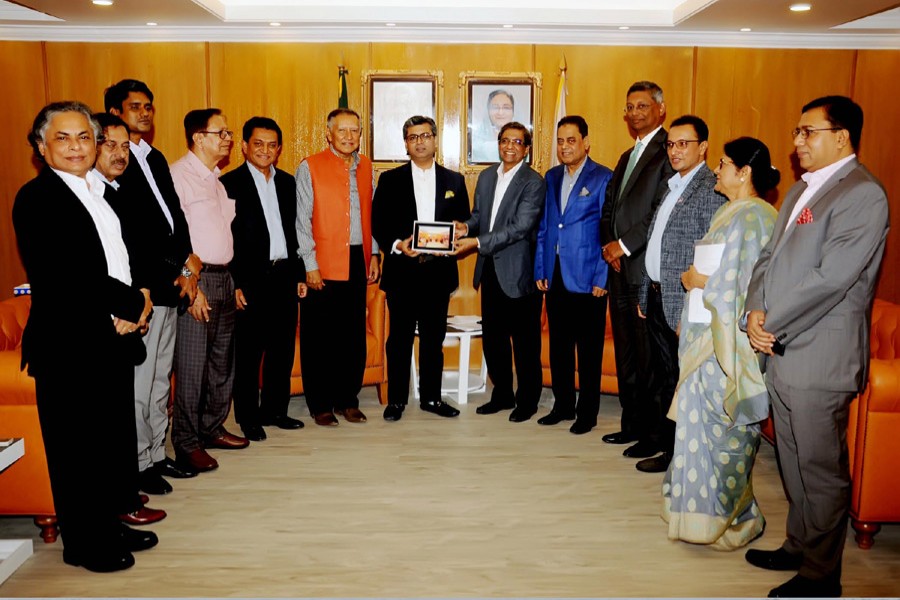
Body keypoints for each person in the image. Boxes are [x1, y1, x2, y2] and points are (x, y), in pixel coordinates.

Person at [744, 96, 889, 598]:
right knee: (793, 462)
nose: (797, 142)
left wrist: (771, 323)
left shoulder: (863, 195)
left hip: (819, 355)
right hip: (782, 348)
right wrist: (753, 310)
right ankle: (798, 545)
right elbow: (768, 258)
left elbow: (831, 280)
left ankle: (822, 575)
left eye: (808, 132)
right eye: (797, 132)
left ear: (842, 136)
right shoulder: (801, 191)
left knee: (821, 469)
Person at [13, 101, 157, 572]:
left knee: (107, 444)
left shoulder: (93, 191)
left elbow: (115, 259)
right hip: (70, 344)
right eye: (63, 137)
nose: (76, 146)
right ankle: (84, 545)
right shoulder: (38, 199)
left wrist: (132, 304)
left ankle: (107, 525)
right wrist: (133, 304)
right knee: (77, 451)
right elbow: (70, 276)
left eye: (83, 137)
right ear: (41, 146)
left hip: (109, 334)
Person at [662, 137, 779, 549]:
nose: (717, 169)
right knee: (699, 435)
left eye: (724, 163)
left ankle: (737, 520)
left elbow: (748, 288)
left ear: (744, 172)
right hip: (704, 342)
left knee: (724, 437)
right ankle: (701, 519)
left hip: (726, 350)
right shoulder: (733, 212)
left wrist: (697, 282)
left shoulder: (755, 217)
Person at [105, 79, 201, 494]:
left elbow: (173, 217)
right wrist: (167, 273)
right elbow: (135, 240)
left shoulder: (152, 156)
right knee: (140, 385)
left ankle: (156, 456)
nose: (144, 113)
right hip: (146, 289)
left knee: (162, 378)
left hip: (173, 283)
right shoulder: (111, 171)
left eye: (149, 107)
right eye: (135, 107)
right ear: (114, 113)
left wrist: (189, 260)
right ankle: (141, 462)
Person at [635, 114, 725, 473]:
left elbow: (710, 257)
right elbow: (656, 245)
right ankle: (661, 441)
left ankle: (678, 455)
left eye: (683, 144)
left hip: (684, 302)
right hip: (658, 296)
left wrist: (693, 309)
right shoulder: (672, 186)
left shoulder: (710, 190)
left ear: (703, 147)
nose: (675, 150)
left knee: (679, 381)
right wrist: (645, 293)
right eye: (670, 144)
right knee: (662, 376)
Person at [91, 112, 168, 528]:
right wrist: (129, 305)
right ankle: (118, 500)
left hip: (131, 310)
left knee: (129, 406)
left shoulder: (113, 192)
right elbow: (86, 270)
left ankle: (125, 489)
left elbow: (131, 254)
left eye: (125, 147)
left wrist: (139, 301)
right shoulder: (85, 196)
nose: (120, 154)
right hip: (106, 319)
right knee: (115, 416)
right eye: (110, 145)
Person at [373, 116, 471, 422]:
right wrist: (398, 244)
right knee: (399, 339)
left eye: (425, 135)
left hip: (437, 273)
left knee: (433, 339)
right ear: (406, 143)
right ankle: (397, 400)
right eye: (413, 137)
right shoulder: (390, 179)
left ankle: (431, 397)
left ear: (435, 139)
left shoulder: (455, 181)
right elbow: (378, 222)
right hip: (403, 271)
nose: (420, 141)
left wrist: (461, 229)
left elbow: (465, 220)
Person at [171, 108, 248, 473]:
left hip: (224, 277)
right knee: (191, 367)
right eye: (221, 132)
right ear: (198, 137)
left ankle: (212, 428)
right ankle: (186, 442)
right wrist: (191, 286)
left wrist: (230, 282)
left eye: (228, 132)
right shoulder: (177, 177)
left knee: (221, 364)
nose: (227, 138)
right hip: (195, 281)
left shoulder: (216, 181)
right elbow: (171, 240)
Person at [221, 117, 307, 442]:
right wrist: (234, 282)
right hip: (249, 278)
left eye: (272, 145)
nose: (265, 150)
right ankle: (248, 416)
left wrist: (299, 273)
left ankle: (276, 410)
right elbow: (223, 237)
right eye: (258, 144)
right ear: (244, 146)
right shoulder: (229, 185)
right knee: (248, 352)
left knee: (281, 349)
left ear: (279, 149)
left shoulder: (287, 183)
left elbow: (296, 232)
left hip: (284, 274)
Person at [295, 108, 381, 427]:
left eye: (354, 131)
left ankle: (348, 400)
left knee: (352, 337)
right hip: (323, 263)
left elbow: (372, 216)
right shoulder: (310, 166)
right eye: (342, 131)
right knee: (319, 339)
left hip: (357, 261)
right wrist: (310, 264)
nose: (348, 136)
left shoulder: (367, 166)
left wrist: (374, 255)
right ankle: (320, 405)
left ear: (360, 134)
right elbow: (301, 220)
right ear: (328, 133)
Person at [455, 122, 546, 422]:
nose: (509, 146)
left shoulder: (534, 182)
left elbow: (521, 227)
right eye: (504, 140)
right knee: (494, 339)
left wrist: (477, 241)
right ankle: (503, 394)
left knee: (524, 341)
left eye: (517, 142)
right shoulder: (485, 177)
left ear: (526, 148)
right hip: (490, 269)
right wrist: (466, 227)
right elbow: (481, 216)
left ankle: (528, 400)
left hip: (519, 272)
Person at [600, 81, 674, 449]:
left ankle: (652, 433)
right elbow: (609, 207)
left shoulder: (668, 153)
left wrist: (624, 246)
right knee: (628, 354)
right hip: (618, 270)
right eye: (629, 107)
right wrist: (608, 247)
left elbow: (658, 213)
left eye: (642, 106)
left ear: (660, 109)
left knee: (649, 359)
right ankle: (631, 425)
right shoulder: (626, 156)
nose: (635, 113)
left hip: (645, 271)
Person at [534, 115, 612, 434]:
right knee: (559, 346)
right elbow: (545, 228)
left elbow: (609, 231)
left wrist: (602, 277)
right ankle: (563, 406)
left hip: (588, 276)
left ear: (585, 142)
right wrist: (541, 267)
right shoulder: (551, 177)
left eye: (571, 140)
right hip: (555, 275)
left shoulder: (603, 177)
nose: (565, 147)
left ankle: (587, 413)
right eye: (561, 141)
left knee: (589, 350)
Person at [470, 89, 515, 163]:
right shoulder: (476, 138)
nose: (500, 113)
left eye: (506, 107)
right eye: (495, 107)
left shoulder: (521, 139)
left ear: (513, 112)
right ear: (488, 111)